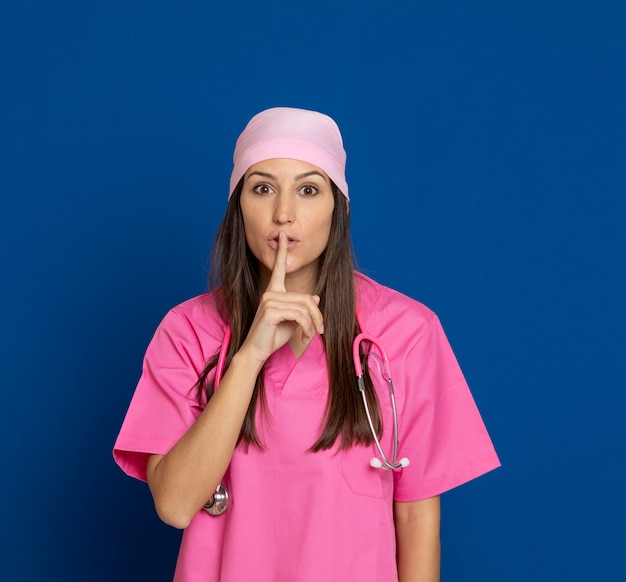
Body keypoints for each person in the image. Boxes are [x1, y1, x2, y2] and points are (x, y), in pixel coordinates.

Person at [113, 107, 500, 582]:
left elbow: (417, 516)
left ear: (339, 208)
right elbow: (173, 505)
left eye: (309, 189)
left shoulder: (406, 332)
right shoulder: (188, 331)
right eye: (262, 188)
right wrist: (250, 356)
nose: (284, 214)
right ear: (238, 206)